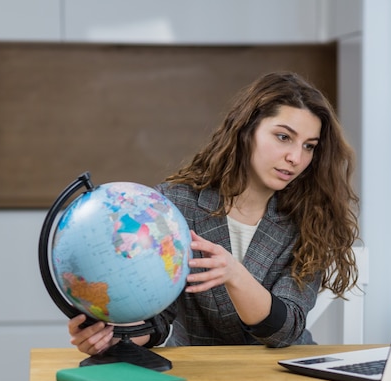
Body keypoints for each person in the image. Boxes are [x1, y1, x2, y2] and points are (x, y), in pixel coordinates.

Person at [68, 71, 360, 354]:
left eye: (309, 146)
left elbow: (286, 330)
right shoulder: (176, 204)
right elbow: (158, 316)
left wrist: (235, 274)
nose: (295, 158)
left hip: (282, 373)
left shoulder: (311, 217)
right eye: (283, 137)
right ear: (247, 131)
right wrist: (117, 338)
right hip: (199, 375)